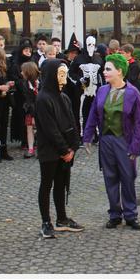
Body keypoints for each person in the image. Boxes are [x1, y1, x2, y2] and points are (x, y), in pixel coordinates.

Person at [83, 54, 140, 230]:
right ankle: (115, 214)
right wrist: (87, 137)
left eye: (108, 69)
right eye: (105, 69)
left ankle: (131, 215)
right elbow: (93, 115)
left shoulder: (133, 93)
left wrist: (135, 147)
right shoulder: (102, 91)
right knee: (110, 177)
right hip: (106, 140)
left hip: (124, 141)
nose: (104, 71)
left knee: (127, 177)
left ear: (120, 71)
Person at [35, 59, 83, 238]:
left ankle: (62, 218)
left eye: (65, 74)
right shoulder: (43, 99)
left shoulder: (64, 97)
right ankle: (46, 221)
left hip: (66, 152)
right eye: (60, 75)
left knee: (61, 184)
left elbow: (72, 122)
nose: (64, 79)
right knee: (46, 184)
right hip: (50, 151)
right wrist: (64, 150)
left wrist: (73, 147)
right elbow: (50, 129)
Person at [8, 38, 34, 150]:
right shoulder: (15, 63)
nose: (28, 53)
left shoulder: (33, 61)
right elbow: (14, 77)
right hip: (20, 95)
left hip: (31, 95)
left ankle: (31, 141)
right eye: (26, 50)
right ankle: (23, 140)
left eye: (30, 50)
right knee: (21, 118)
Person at [18, 61, 39, 159]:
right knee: (29, 128)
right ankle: (31, 148)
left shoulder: (40, 81)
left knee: (41, 129)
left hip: (41, 109)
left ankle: (41, 148)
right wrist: (33, 114)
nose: (21, 73)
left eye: (23, 71)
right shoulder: (25, 83)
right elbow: (29, 100)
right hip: (30, 109)